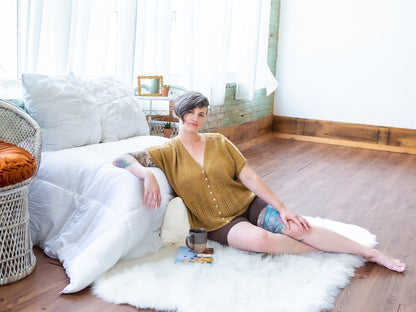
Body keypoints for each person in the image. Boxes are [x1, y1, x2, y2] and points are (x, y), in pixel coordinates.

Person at [113, 91, 406, 273]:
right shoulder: (166, 152)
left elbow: (248, 176)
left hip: (249, 205)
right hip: (217, 224)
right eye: (190, 112)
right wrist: (147, 174)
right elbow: (122, 159)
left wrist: (283, 208)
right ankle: (331, 248)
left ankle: (369, 252)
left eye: (201, 114)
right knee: (261, 241)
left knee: (294, 227)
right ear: (179, 113)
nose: (196, 118)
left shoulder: (218, 141)